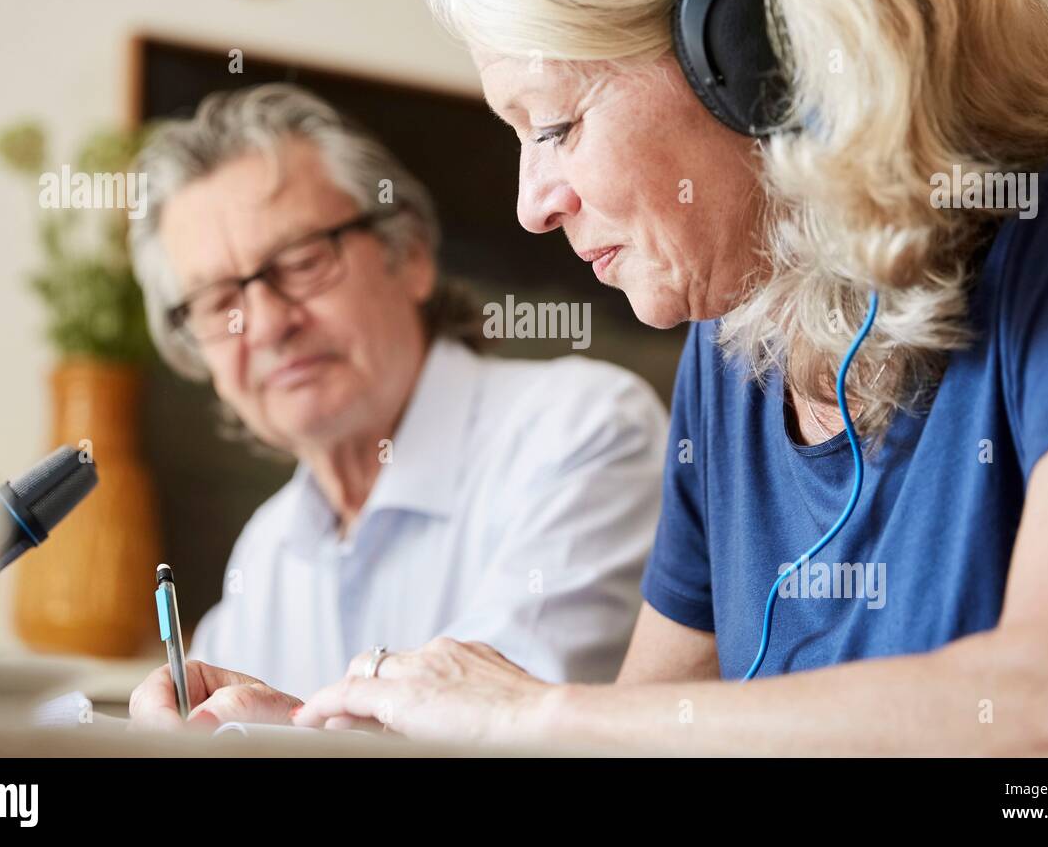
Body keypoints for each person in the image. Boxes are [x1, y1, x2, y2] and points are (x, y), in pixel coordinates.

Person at [277, 0, 1048, 754]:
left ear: (753, 51)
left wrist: (534, 714)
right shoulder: (735, 341)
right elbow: (637, 740)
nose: (531, 205)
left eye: (555, 125)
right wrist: (328, 742)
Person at [125, 84, 668, 728]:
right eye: (220, 302)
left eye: (300, 263)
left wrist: (289, 737)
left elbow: (503, 736)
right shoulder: (267, 552)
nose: (267, 325)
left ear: (408, 256)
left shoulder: (583, 429)